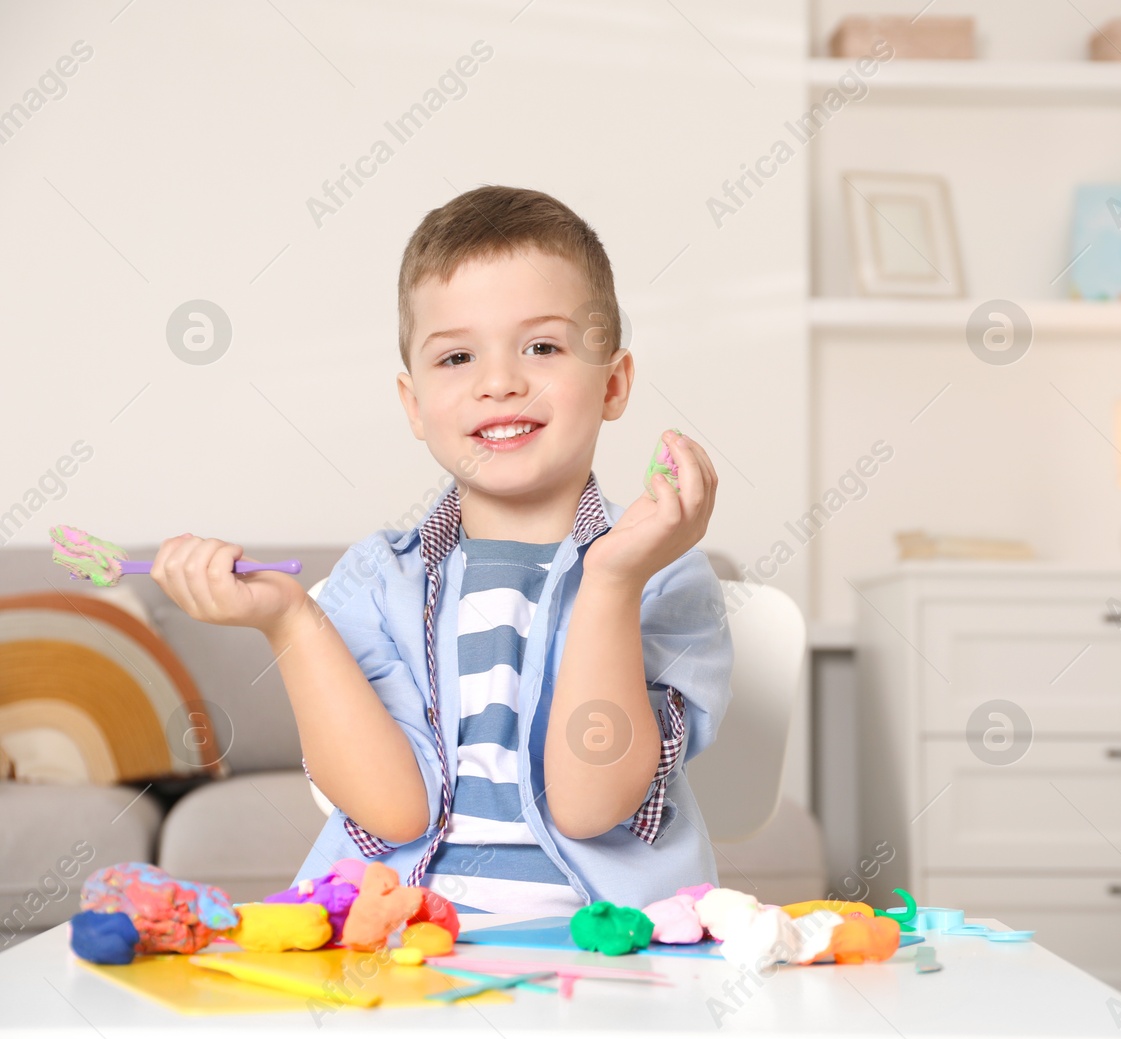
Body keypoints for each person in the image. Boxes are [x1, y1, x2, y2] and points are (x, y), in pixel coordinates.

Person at [151, 186, 733, 916]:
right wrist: (291, 622)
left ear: (613, 383)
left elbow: (591, 805)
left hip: (610, 952)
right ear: (413, 405)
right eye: (457, 356)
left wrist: (613, 579)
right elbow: (396, 812)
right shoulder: (375, 581)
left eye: (543, 346)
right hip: (400, 951)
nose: (499, 382)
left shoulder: (662, 574)